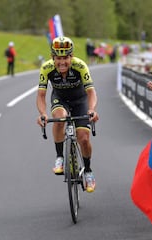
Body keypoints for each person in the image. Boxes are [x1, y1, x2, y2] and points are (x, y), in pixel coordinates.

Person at [36, 36, 99, 193]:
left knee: (83, 139)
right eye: (58, 58)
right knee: (59, 117)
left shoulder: (80, 66)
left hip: (80, 101)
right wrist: (43, 113)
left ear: (71, 57)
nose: (62, 62)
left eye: (65, 58)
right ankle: (60, 158)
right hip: (60, 99)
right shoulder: (46, 68)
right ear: (53, 58)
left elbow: (91, 92)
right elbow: (41, 95)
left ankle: (89, 171)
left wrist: (91, 109)